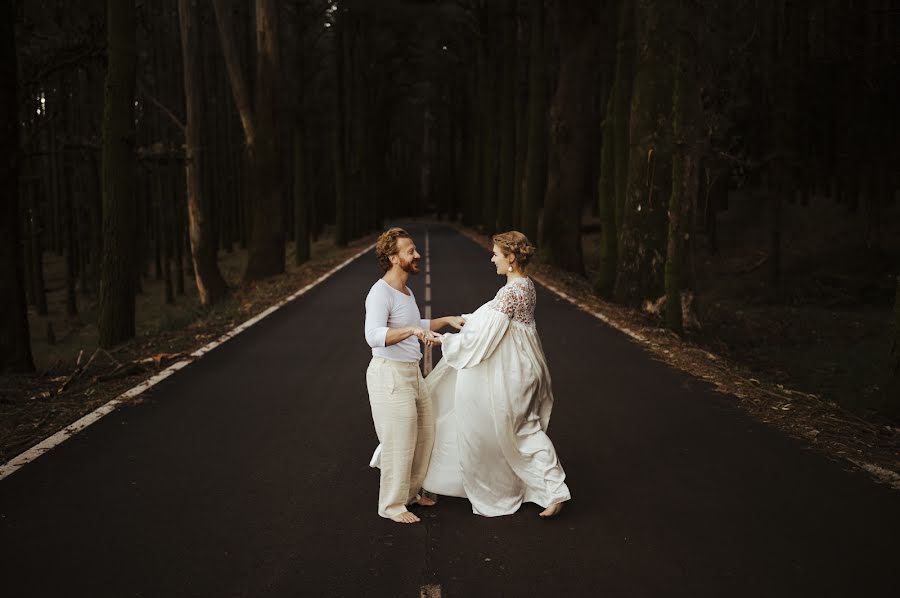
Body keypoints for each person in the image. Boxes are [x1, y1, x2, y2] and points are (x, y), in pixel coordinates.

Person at [423, 231, 570, 518]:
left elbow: (486, 336)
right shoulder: (525, 285)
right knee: (524, 428)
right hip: (528, 366)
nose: (492, 258)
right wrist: (466, 320)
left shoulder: (510, 292)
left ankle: (554, 490)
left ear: (511, 258)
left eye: (496, 254)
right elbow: (489, 315)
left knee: (521, 430)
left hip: (513, 372)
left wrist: (445, 341)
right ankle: (548, 488)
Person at [364, 227, 465, 524]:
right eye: (410, 251)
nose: (417, 255)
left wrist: (445, 320)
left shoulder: (405, 292)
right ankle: (391, 505)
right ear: (394, 258)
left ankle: (409, 494)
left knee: (425, 436)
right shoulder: (379, 292)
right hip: (389, 376)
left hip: (412, 375)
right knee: (399, 441)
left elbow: (414, 322)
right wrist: (411, 331)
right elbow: (373, 335)